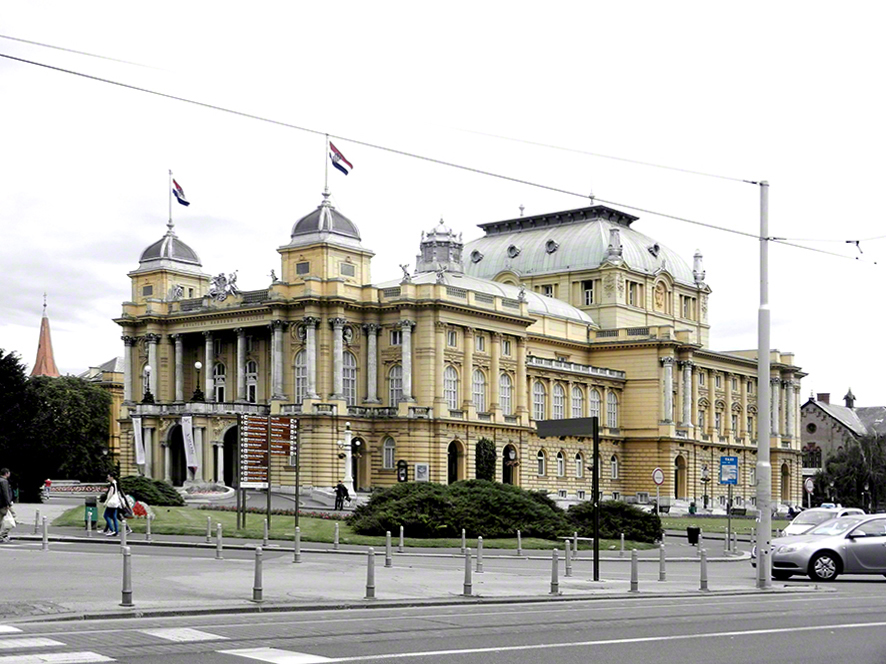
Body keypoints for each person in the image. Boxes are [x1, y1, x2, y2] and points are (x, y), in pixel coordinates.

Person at [0, 468, 14, 543]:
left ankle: (3, 535)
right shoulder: (4, 481)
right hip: (3, 504)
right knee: (12, 519)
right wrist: (8, 503)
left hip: (1, 504)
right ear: (6, 473)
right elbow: (6, 493)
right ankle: (3, 535)